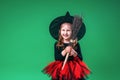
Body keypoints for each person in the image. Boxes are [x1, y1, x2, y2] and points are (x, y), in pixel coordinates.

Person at [42, 12, 90, 80]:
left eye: (68, 30)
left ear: (73, 32)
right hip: (61, 67)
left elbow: (80, 58)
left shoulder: (76, 44)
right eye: (63, 30)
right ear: (60, 31)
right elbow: (57, 58)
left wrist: (73, 53)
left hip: (74, 68)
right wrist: (65, 51)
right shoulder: (57, 44)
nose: (65, 33)